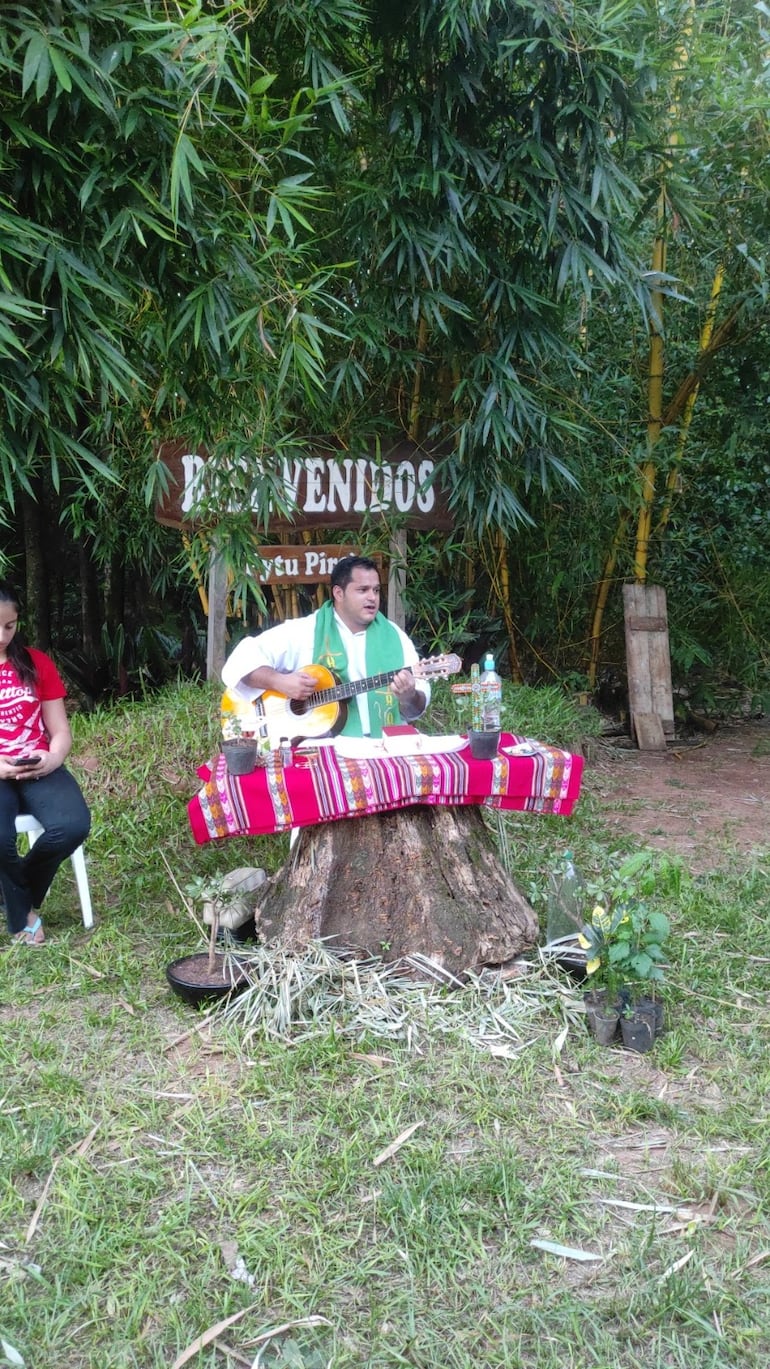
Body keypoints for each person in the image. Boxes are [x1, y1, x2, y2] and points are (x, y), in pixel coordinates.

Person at [222, 554, 430, 739]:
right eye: (362, 590)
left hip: (383, 748)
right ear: (339, 594)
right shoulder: (306, 631)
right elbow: (239, 661)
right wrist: (279, 681)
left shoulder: (395, 637)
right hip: (322, 751)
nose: (372, 598)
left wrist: (408, 696)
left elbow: (415, 709)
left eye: (376, 590)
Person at [0, 582, 91, 945]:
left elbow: (61, 732)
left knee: (72, 825)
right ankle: (23, 914)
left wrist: (52, 758)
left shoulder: (36, 662)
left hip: (39, 766)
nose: (3, 636)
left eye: (9, 626)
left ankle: (13, 898)